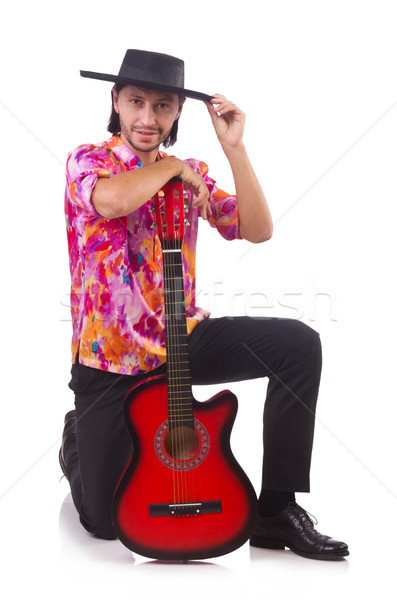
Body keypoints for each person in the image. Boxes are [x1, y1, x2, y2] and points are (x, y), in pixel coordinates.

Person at [60, 49, 349, 560]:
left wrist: (234, 149)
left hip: (180, 337)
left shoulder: (192, 173)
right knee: (107, 526)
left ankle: (276, 510)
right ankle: (76, 440)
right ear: (117, 103)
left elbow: (258, 230)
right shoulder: (90, 160)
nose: (148, 118)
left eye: (164, 106)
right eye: (136, 102)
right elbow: (110, 202)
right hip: (111, 359)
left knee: (299, 346)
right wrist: (171, 166)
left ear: (176, 113)